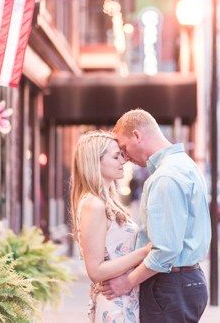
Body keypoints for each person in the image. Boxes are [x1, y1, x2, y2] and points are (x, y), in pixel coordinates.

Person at [103, 109, 211, 322]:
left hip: (170, 285)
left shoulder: (166, 177)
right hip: (182, 281)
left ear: (137, 135)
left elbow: (165, 250)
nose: (125, 158)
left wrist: (128, 282)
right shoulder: (185, 164)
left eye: (123, 148)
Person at [70, 130, 152, 323]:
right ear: (94, 162)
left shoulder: (105, 202)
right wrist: (146, 251)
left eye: (121, 155)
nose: (123, 161)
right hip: (115, 306)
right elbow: (95, 271)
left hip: (124, 300)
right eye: (116, 156)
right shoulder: (94, 204)